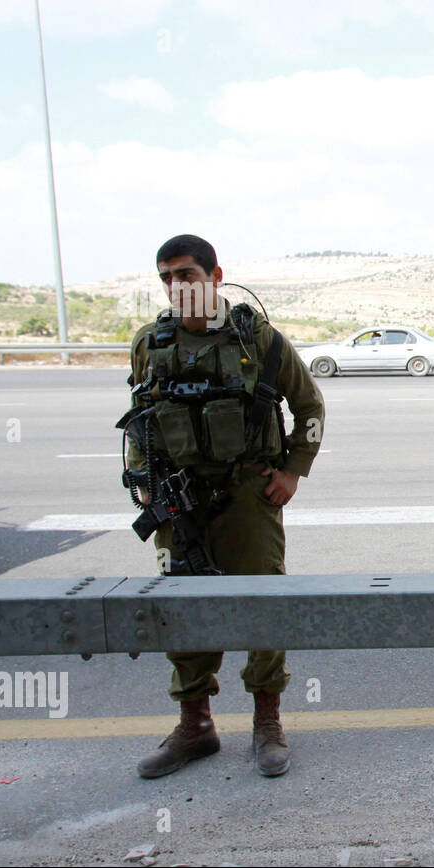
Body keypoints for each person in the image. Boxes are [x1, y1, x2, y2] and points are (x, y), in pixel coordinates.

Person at [124, 234, 325, 778]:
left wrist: (292, 471)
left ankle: (267, 721)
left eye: (186, 274)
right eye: (166, 277)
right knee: (182, 607)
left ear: (215, 275)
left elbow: (309, 407)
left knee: (262, 604)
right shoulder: (150, 342)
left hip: (247, 496)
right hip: (178, 501)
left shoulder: (260, 340)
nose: (176, 286)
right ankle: (196, 725)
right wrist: (142, 478)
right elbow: (139, 416)